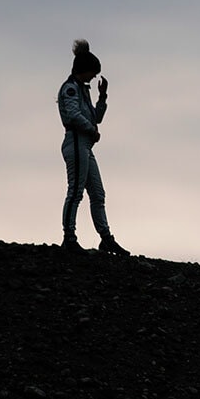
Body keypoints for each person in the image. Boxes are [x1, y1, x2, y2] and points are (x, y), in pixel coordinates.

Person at [58, 39, 129, 255]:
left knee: (97, 194)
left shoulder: (82, 91)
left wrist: (103, 97)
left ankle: (105, 238)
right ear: (85, 70)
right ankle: (69, 237)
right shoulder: (70, 89)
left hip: (85, 145)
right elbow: (73, 115)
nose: (93, 77)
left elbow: (95, 117)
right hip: (77, 142)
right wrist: (91, 130)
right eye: (92, 72)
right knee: (76, 191)